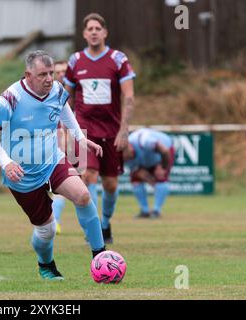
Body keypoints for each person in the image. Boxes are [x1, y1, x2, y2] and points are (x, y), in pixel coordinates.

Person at [0, 50, 106, 280]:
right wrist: (6, 163)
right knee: (46, 230)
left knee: (83, 196)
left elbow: (64, 107)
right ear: (28, 75)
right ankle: (46, 265)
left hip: (52, 160)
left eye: (51, 73)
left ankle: (101, 257)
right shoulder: (11, 97)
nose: (49, 78)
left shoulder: (56, 89)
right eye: (42, 74)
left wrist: (79, 137)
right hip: (22, 174)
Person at [60, 13, 136, 244]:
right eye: (89, 29)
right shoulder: (75, 61)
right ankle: (94, 229)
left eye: (97, 28)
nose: (93, 32)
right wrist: (65, 129)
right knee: (88, 176)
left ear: (105, 32)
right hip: (84, 130)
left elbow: (129, 96)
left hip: (112, 131)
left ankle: (105, 223)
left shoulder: (118, 59)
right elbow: (66, 98)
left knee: (110, 184)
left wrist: (124, 130)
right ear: (84, 34)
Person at [122, 128, 174, 218]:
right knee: (136, 179)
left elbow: (165, 151)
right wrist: (149, 179)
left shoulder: (144, 140)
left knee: (161, 177)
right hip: (146, 159)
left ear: (129, 147)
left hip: (165, 151)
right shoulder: (123, 157)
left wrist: (163, 166)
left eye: (124, 155)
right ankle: (145, 211)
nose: (125, 160)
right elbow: (139, 172)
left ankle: (156, 211)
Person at [51, 60, 69, 234]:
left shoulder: (78, 96)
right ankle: (52, 221)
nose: (62, 74)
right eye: (58, 71)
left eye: (66, 70)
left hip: (78, 146)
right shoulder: (50, 97)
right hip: (55, 148)